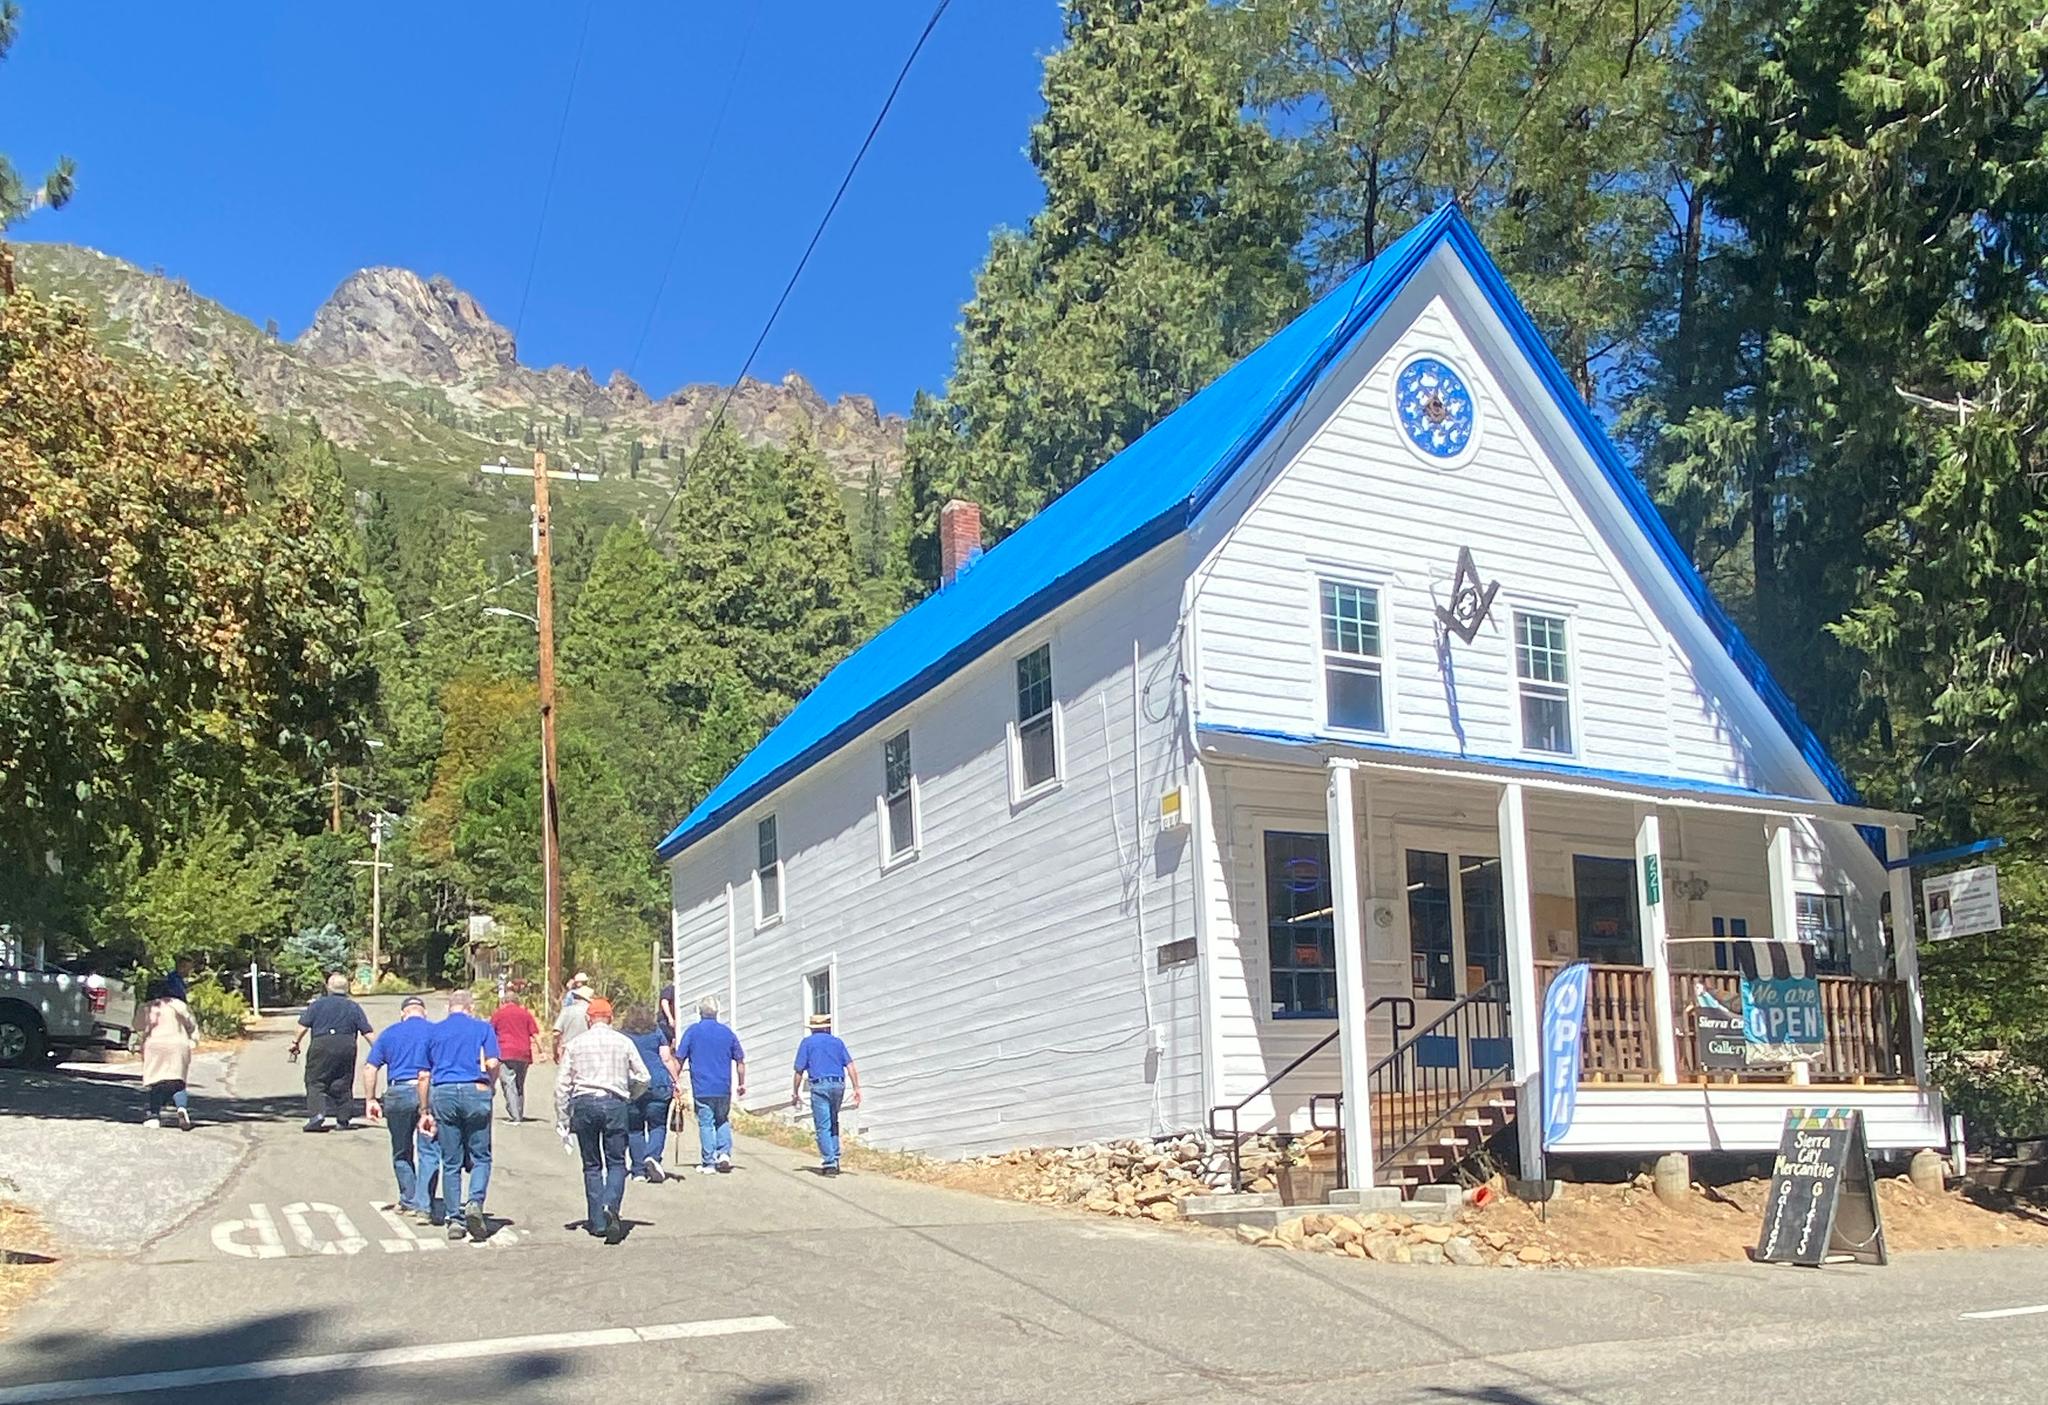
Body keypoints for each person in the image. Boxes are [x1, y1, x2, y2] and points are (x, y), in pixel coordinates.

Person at [555, 997, 648, 1244]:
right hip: (615, 1101)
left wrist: (563, 1117)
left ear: (588, 1018)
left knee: (592, 1164)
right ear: (611, 1017)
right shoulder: (623, 1042)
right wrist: (630, 1095)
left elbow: (562, 1085)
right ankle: (611, 1205)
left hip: (584, 1103)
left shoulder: (576, 1044)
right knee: (617, 1160)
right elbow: (643, 1076)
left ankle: (596, 1221)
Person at [416, 989, 500, 1242]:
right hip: (475, 1090)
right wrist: (490, 1086)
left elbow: (423, 1075)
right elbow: (493, 1062)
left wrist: (424, 1110)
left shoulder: (433, 1031)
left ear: (448, 1007)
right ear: (470, 1007)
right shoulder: (482, 1028)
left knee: (450, 1160)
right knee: (481, 1156)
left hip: (444, 1093)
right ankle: (475, 1201)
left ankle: (455, 1219)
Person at [363, 995, 440, 1222]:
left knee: (401, 1149)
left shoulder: (389, 1033)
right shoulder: (435, 1032)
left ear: (403, 1014)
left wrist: (371, 1099)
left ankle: (409, 1199)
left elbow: (370, 1068)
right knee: (429, 1151)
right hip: (429, 1090)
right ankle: (425, 1205)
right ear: (424, 1012)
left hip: (398, 1092)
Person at [288, 972, 373, 1132]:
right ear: (346, 989)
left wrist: (295, 1043)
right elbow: (367, 1031)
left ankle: (317, 1114)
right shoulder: (353, 1007)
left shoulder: (317, 1005)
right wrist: (378, 1050)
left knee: (315, 1081)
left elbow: (302, 1026)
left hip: (322, 1043)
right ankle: (343, 1119)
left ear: (328, 987)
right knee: (343, 1081)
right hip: (346, 1045)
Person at [674, 994, 746, 1174]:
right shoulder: (727, 1033)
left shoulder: (692, 1032)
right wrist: (741, 1083)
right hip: (723, 1086)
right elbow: (740, 1061)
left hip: (702, 1086)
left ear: (700, 1012)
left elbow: (679, 1059)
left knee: (706, 1122)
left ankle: (708, 1162)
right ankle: (724, 1154)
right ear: (717, 1012)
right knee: (722, 1119)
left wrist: (675, 1081)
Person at [791, 1012, 862, 1176]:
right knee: (833, 1121)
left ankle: (829, 1162)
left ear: (813, 1029)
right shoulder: (837, 1042)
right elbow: (850, 1066)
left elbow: (799, 1070)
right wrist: (856, 1087)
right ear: (827, 1027)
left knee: (823, 1124)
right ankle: (836, 1159)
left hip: (819, 1084)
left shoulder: (807, 1043)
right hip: (838, 1083)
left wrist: (795, 1092)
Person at [621, 1006, 681, 1183]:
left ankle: (638, 1170)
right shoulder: (657, 1033)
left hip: (633, 1085)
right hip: (658, 1083)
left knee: (634, 1128)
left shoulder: (623, 1035)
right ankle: (653, 1156)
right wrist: (676, 1081)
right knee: (657, 1125)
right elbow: (666, 1059)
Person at [137, 980, 198, 1130]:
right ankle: (181, 1108)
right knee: (177, 1081)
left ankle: (154, 1116)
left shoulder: (146, 1007)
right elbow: (191, 1023)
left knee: (157, 1082)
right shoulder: (178, 1004)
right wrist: (193, 1039)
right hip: (178, 1044)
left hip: (155, 1046)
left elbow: (137, 1025)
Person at [488, 996, 540, 1122]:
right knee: (519, 1083)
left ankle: (515, 1114)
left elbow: (490, 1033)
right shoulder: (525, 1014)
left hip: (505, 1051)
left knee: (508, 1082)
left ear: (504, 1002)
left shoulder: (499, 1014)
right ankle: (519, 1112)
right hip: (523, 1053)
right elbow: (535, 1034)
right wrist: (541, 1050)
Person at [551, 974, 593, 1061]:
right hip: (587, 1052)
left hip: (569, 1050)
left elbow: (556, 1034)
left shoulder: (566, 1010)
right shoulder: (592, 1012)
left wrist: (555, 1052)